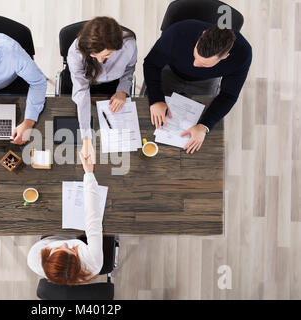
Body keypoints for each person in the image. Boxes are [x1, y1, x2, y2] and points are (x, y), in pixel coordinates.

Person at [143, 19, 252, 154]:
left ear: (225, 56)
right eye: (195, 56)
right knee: (148, 119)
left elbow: (228, 95)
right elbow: (151, 64)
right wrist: (156, 99)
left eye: (204, 64)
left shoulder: (243, 54)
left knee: (200, 129)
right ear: (202, 35)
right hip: (170, 72)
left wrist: (204, 126)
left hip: (205, 82)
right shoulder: (177, 32)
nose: (195, 64)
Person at [27, 151, 103, 285]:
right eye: (70, 249)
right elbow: (93, 218)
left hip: (46, 243)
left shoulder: (35, 259)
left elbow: (61, 246)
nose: (65, 244)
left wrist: (54, 247)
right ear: (78, 262)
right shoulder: (94, 263)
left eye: (58, 249)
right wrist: (89, 173)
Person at [67, 16, 137, 160]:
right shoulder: (76, 52)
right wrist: (86, 138)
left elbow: (129, 68)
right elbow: (81, 91)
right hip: (85, 83)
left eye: (107, 55)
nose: (99, 61)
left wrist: (122, 90)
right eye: (94, 55)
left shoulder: (129, 45)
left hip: (114, 85)